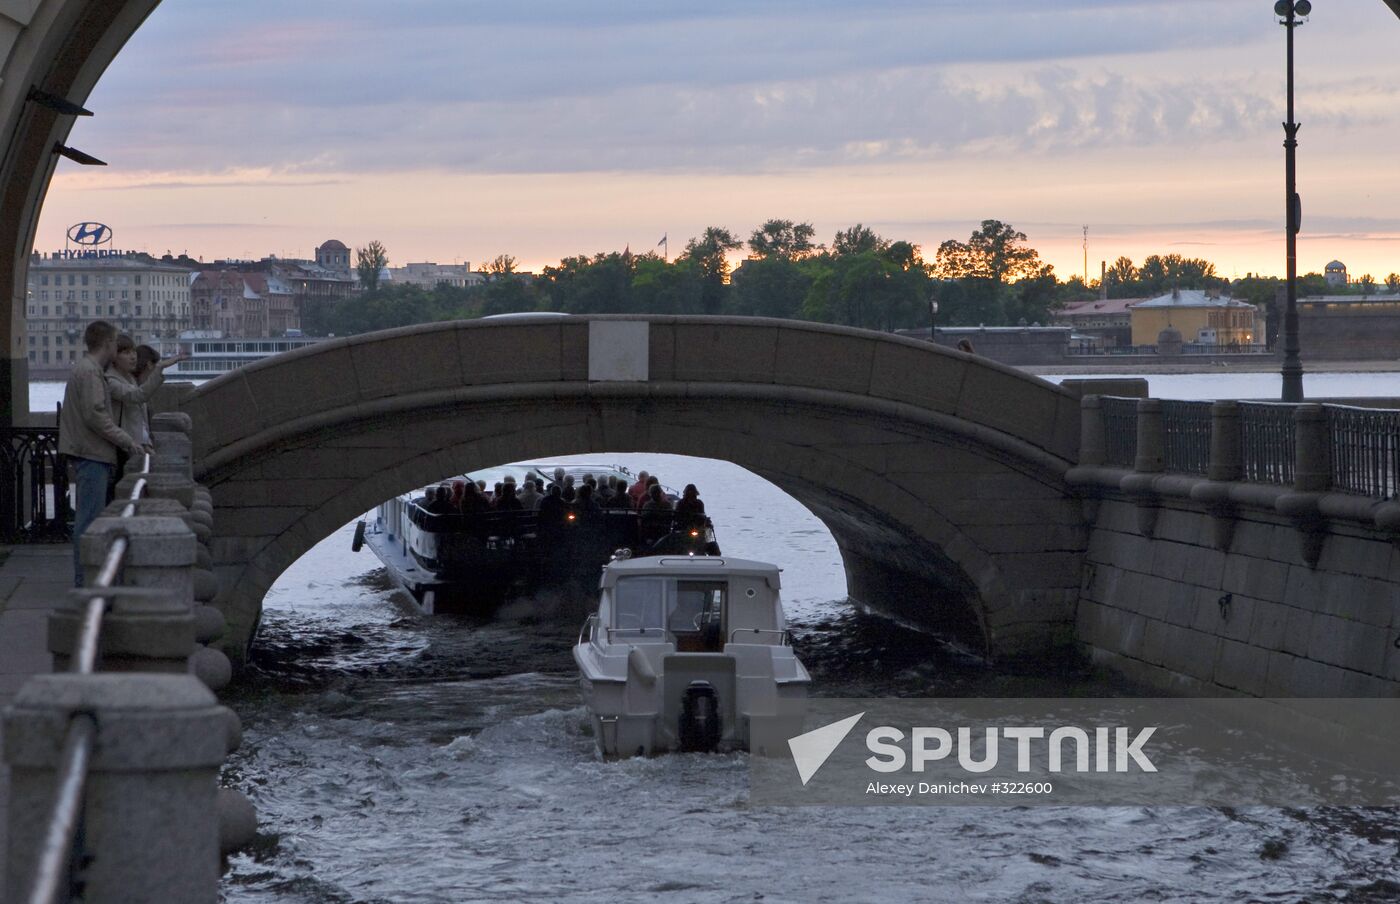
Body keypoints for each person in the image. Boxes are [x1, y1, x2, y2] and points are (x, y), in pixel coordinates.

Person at [60, 321, 145, 586]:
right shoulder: (90, 373)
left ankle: (88, 580)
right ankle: (85, 583)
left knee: (90, 520)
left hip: (90, 453)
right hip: (91, 455)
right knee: (89, 523)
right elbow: (95, 415)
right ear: (107, 344)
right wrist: (127, 441)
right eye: (115, 343)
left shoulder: (87, 370)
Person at [106, 336, 186, 480]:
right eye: (126, 353)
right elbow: (137, 396)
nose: (133, 357)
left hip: (136, 448)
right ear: (114, 358)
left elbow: (140, 421)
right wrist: (159, 368)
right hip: (122, 449)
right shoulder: (111, 382)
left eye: (133, 352)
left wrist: (146, 443)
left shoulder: (129, 379)